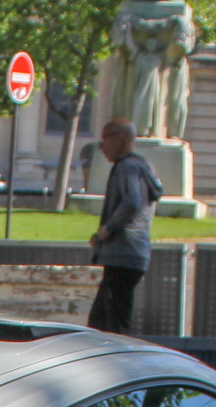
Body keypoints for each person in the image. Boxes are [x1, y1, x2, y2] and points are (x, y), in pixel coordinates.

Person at [87, 119, 160, 334]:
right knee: (106, 321)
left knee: (108, 325)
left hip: (121, 253)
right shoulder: (144, 166)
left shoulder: (126, 167)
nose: (102, 147)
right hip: (135, 254)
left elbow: (132, 202)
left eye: (105, 139)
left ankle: (118, 363)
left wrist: (104, 231)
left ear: (120, 138)